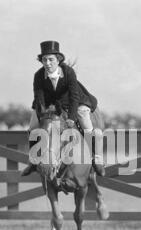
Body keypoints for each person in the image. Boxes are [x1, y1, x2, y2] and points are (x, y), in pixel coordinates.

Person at [21, 40, 105, 177]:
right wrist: (42, 114)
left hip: (74, 101)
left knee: (84, 118)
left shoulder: (68, 72)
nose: (47, 63)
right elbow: (39, 97)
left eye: (50, 59)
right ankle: (33, 161)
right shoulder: (38, 75)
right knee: (32, 127)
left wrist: (71, 118)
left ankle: (97, 159)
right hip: (49, 104)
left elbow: (74, 97)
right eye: (44, 60)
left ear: (58, 59)